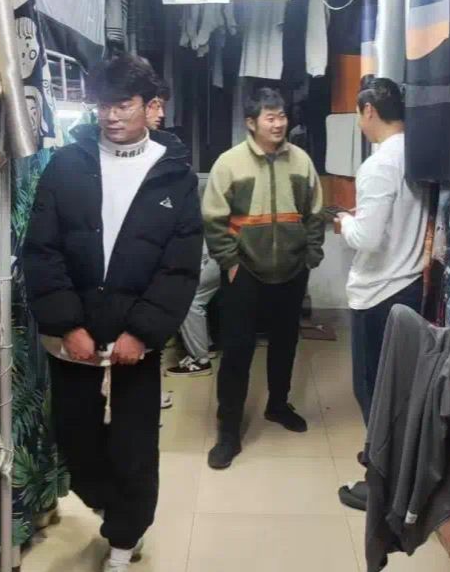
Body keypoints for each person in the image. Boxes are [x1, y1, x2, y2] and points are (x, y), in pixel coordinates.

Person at [22, 53, 202, 572]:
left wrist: (143, 333)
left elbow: (179, 266)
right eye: (102, 104)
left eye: (122, 104)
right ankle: (118, 511)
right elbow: (41, 250)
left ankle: (119, 562)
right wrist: (66, 324)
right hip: (72, 336)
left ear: (150, 106)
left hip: (134, 343)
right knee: (74, 439)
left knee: (134, 447)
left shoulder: (173, 175)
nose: (111, 115)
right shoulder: (67, 165)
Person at [202, 87, 325, 469]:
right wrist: (229, 261)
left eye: (282, 115)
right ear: (251, 123)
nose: (279, 123)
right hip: (245, 272)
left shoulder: (301, 161)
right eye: (270, 117)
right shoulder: (230, 163)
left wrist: (310, 255)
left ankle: (278, 405)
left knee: (285, 342)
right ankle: (228, 430)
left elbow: (314, 213)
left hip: (291, 270)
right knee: (237, 350)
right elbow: (213, 218)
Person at [336, 76, 428, 511]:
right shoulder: (419, 152)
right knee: (400, 390)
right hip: (410, 284)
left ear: (369, 111)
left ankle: (382, 486)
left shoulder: (377, 165)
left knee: (372, 390)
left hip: (379, 293)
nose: (360, 122)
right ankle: (389, 462)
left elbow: (367, 239)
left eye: (359, 115)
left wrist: (344, 224)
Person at [146, 83, 217, 378]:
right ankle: (204, 347)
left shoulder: (173, 162)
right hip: (197, 249)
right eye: (155, 105)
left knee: (189, 299)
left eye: (161, 105)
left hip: (203, 250)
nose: (161, 113)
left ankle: (200, 358)